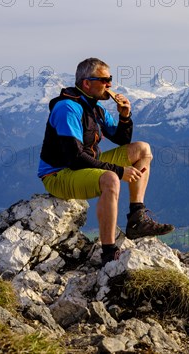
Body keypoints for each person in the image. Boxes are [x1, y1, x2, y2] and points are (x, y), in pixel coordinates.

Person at [37, 58, 174, 266]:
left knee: (143, 149)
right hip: (59, 174)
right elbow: (75, 157)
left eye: (110, 79)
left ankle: (137, 217)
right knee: (111, 179)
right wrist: (119, 171)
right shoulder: (68, 108)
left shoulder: (95, 108)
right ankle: (109, 251)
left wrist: (125, 117)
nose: (110, 85)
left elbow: (121, 140)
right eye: (104, 80)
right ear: (86, 83)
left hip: (83, 164)